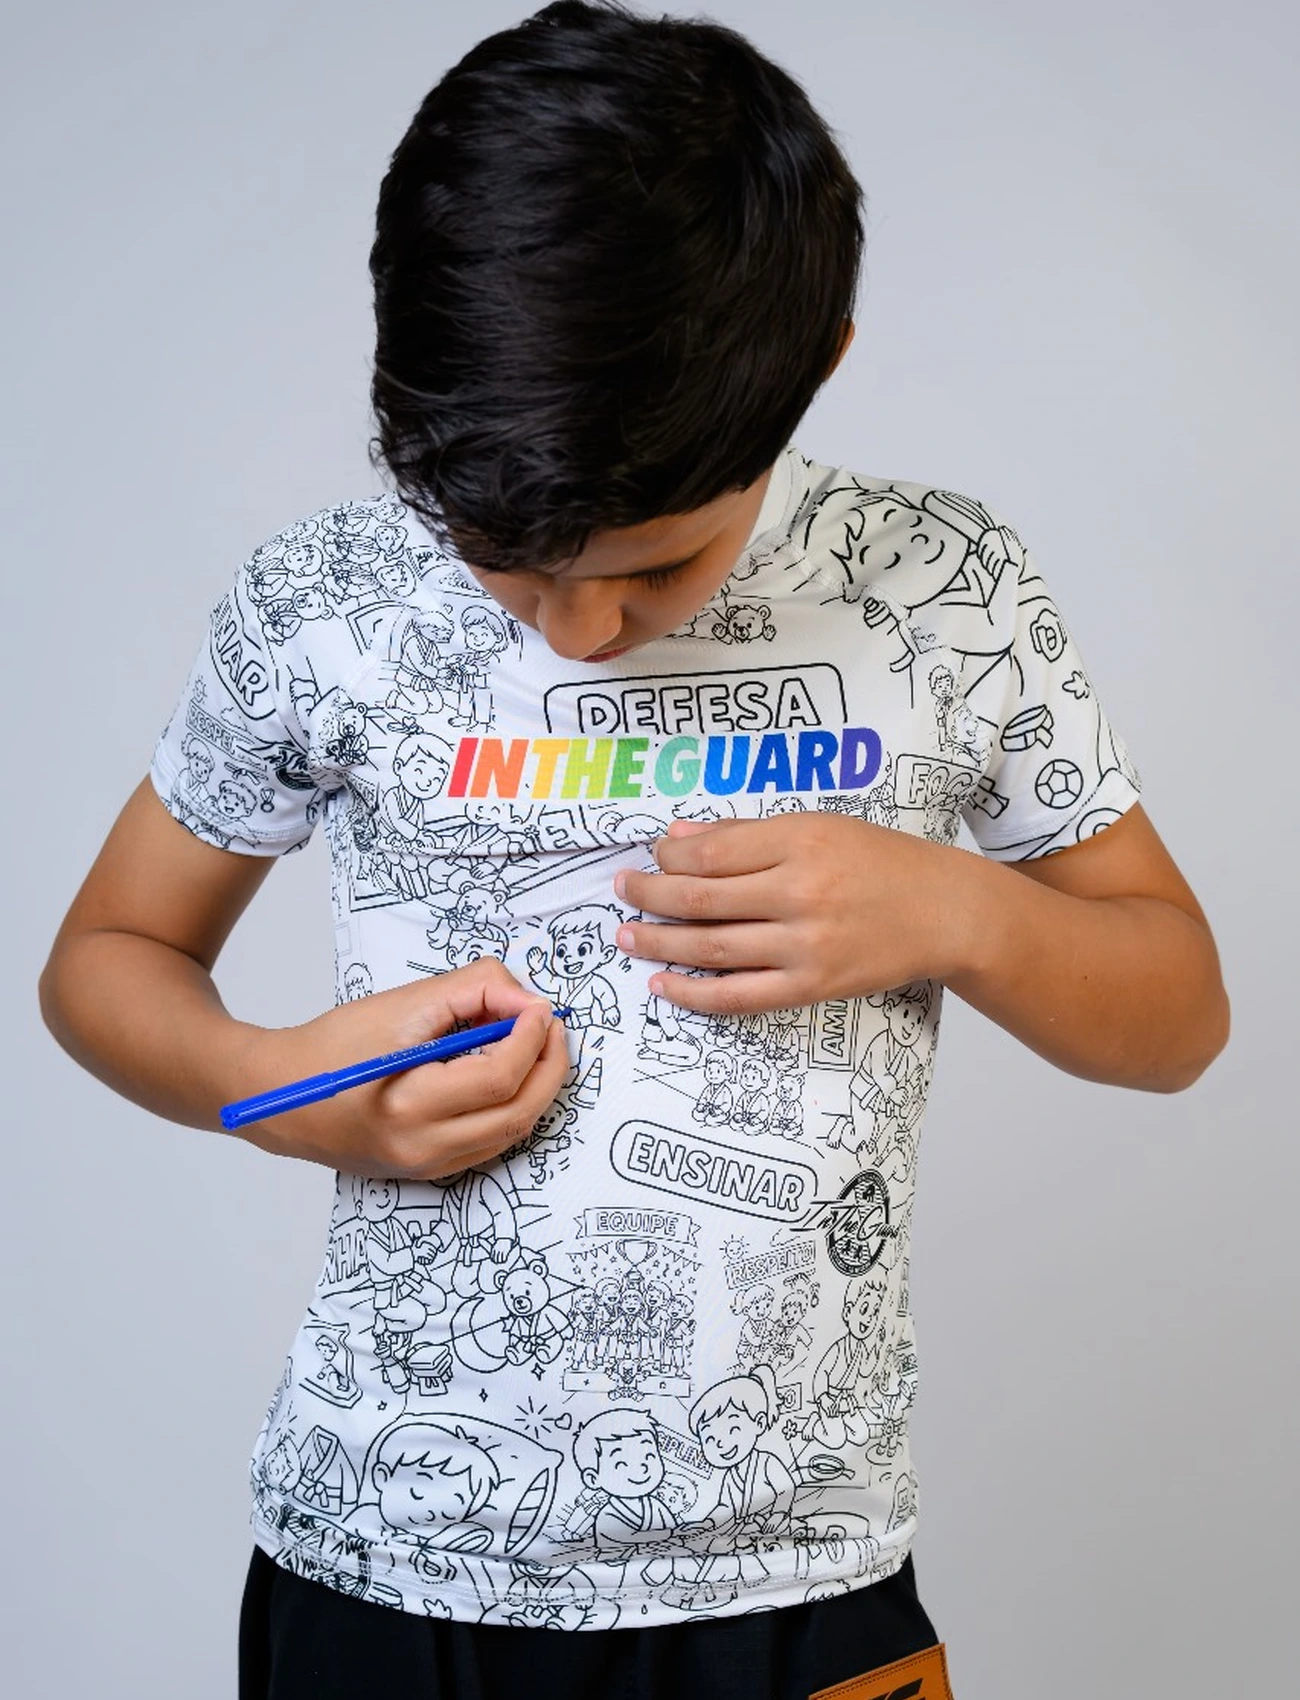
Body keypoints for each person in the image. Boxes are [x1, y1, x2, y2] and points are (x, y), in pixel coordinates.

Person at [38, 4, 1229, 1697]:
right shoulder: (324, 604)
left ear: (818, 360)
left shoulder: (943, 589)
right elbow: (106, 960)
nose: (580, 630)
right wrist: (277, 1088)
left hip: (801, 1588)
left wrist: (961, 910)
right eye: (501, 558)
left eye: (655, 568)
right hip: (384, 1577)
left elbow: (1180, 1016)